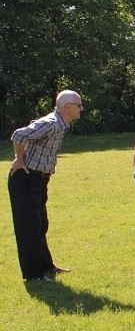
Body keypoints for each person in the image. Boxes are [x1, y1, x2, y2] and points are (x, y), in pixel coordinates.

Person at [8, 90, 83, 282]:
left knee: (40, 224)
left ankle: (46, 267)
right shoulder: (51, 123)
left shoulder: (61, 124)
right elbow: (18, 135)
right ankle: (34, 276)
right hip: (25, 178)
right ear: (67, 107)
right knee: (29, 227)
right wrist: (19, 159)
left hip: (39, 179)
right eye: (79, 105)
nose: (81, 108)